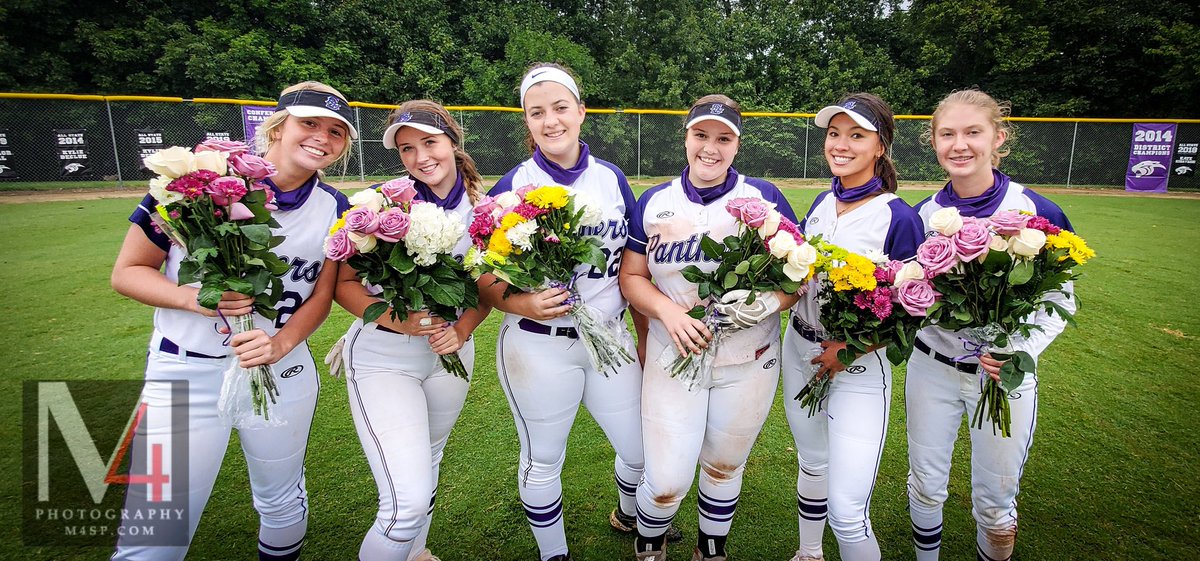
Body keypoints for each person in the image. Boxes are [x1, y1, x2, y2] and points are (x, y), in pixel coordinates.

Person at [110, 81, 355, 561]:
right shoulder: (196, 183)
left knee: (281, 502)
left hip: (279, 372)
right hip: (185, 371)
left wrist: (281, 345)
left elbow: (321, 297)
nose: (322, 138)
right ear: (279, 127)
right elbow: (127, 273)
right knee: (154, 530)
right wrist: (192, 298)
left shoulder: (333, 208)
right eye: (309, 123)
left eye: (336, 131)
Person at [480, 63, 673, 561]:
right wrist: (520, 300)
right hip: (539, 343)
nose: (551, 121)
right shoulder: (512, 184)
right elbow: (480, 276)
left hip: (609, 336)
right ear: (526, 121)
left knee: (638, 449)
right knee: (543, 459)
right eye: (537, 112)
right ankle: (554, 554)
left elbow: (635, 270)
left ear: (581, 112)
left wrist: (645, 339)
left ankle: (630, 515)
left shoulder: (610, 178)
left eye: (561, 108)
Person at [621, 94, 800, 561]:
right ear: (686, 138)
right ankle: (649, 539)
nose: (711, 148)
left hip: (749, 356)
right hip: (673, 353)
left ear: (737, 145)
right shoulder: (655, 199)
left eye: (724, 138)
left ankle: (711, 549)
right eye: (701, 135)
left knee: (724, 464)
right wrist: (668, 312)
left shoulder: (765, 198)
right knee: (666, 480)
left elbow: (799, 276)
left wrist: (766, 303)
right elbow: (632, 276)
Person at [906, 89, 1075, 561]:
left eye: (972, 132)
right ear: (934, 142)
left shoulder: (1034, 209)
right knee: (924, 485)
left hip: (1004, 376)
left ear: (999, 137)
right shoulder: (921, 215)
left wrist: (1020, 349)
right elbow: (908, 292)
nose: (959, 145)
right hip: (933, 367)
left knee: (995, 503)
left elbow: (1062, 295)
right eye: (947, 134)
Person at [333, 100, 491, 561]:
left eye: (429, 142)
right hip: (384, 354)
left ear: (452, 142)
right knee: (404, 504)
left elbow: (487, 289)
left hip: (451, 353)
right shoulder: (380, 204)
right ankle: (407, 540)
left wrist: (461, 330)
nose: (420, 157)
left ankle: (416, 552)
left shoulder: (486, 206)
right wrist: (394, 318)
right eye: (406, 149)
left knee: (431, 459)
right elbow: (344, 284)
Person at [780, 94, 924, 561]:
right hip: (799, 350)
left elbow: (913, 308)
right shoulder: (823, 201)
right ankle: (808, 553)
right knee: (812, 461)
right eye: (834, 133)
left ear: (880, 146)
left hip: (858, 368)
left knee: (846, 511)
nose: (840, 144)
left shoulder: (898, 217)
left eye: (856, 135)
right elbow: (799, 277)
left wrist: (849, 349)